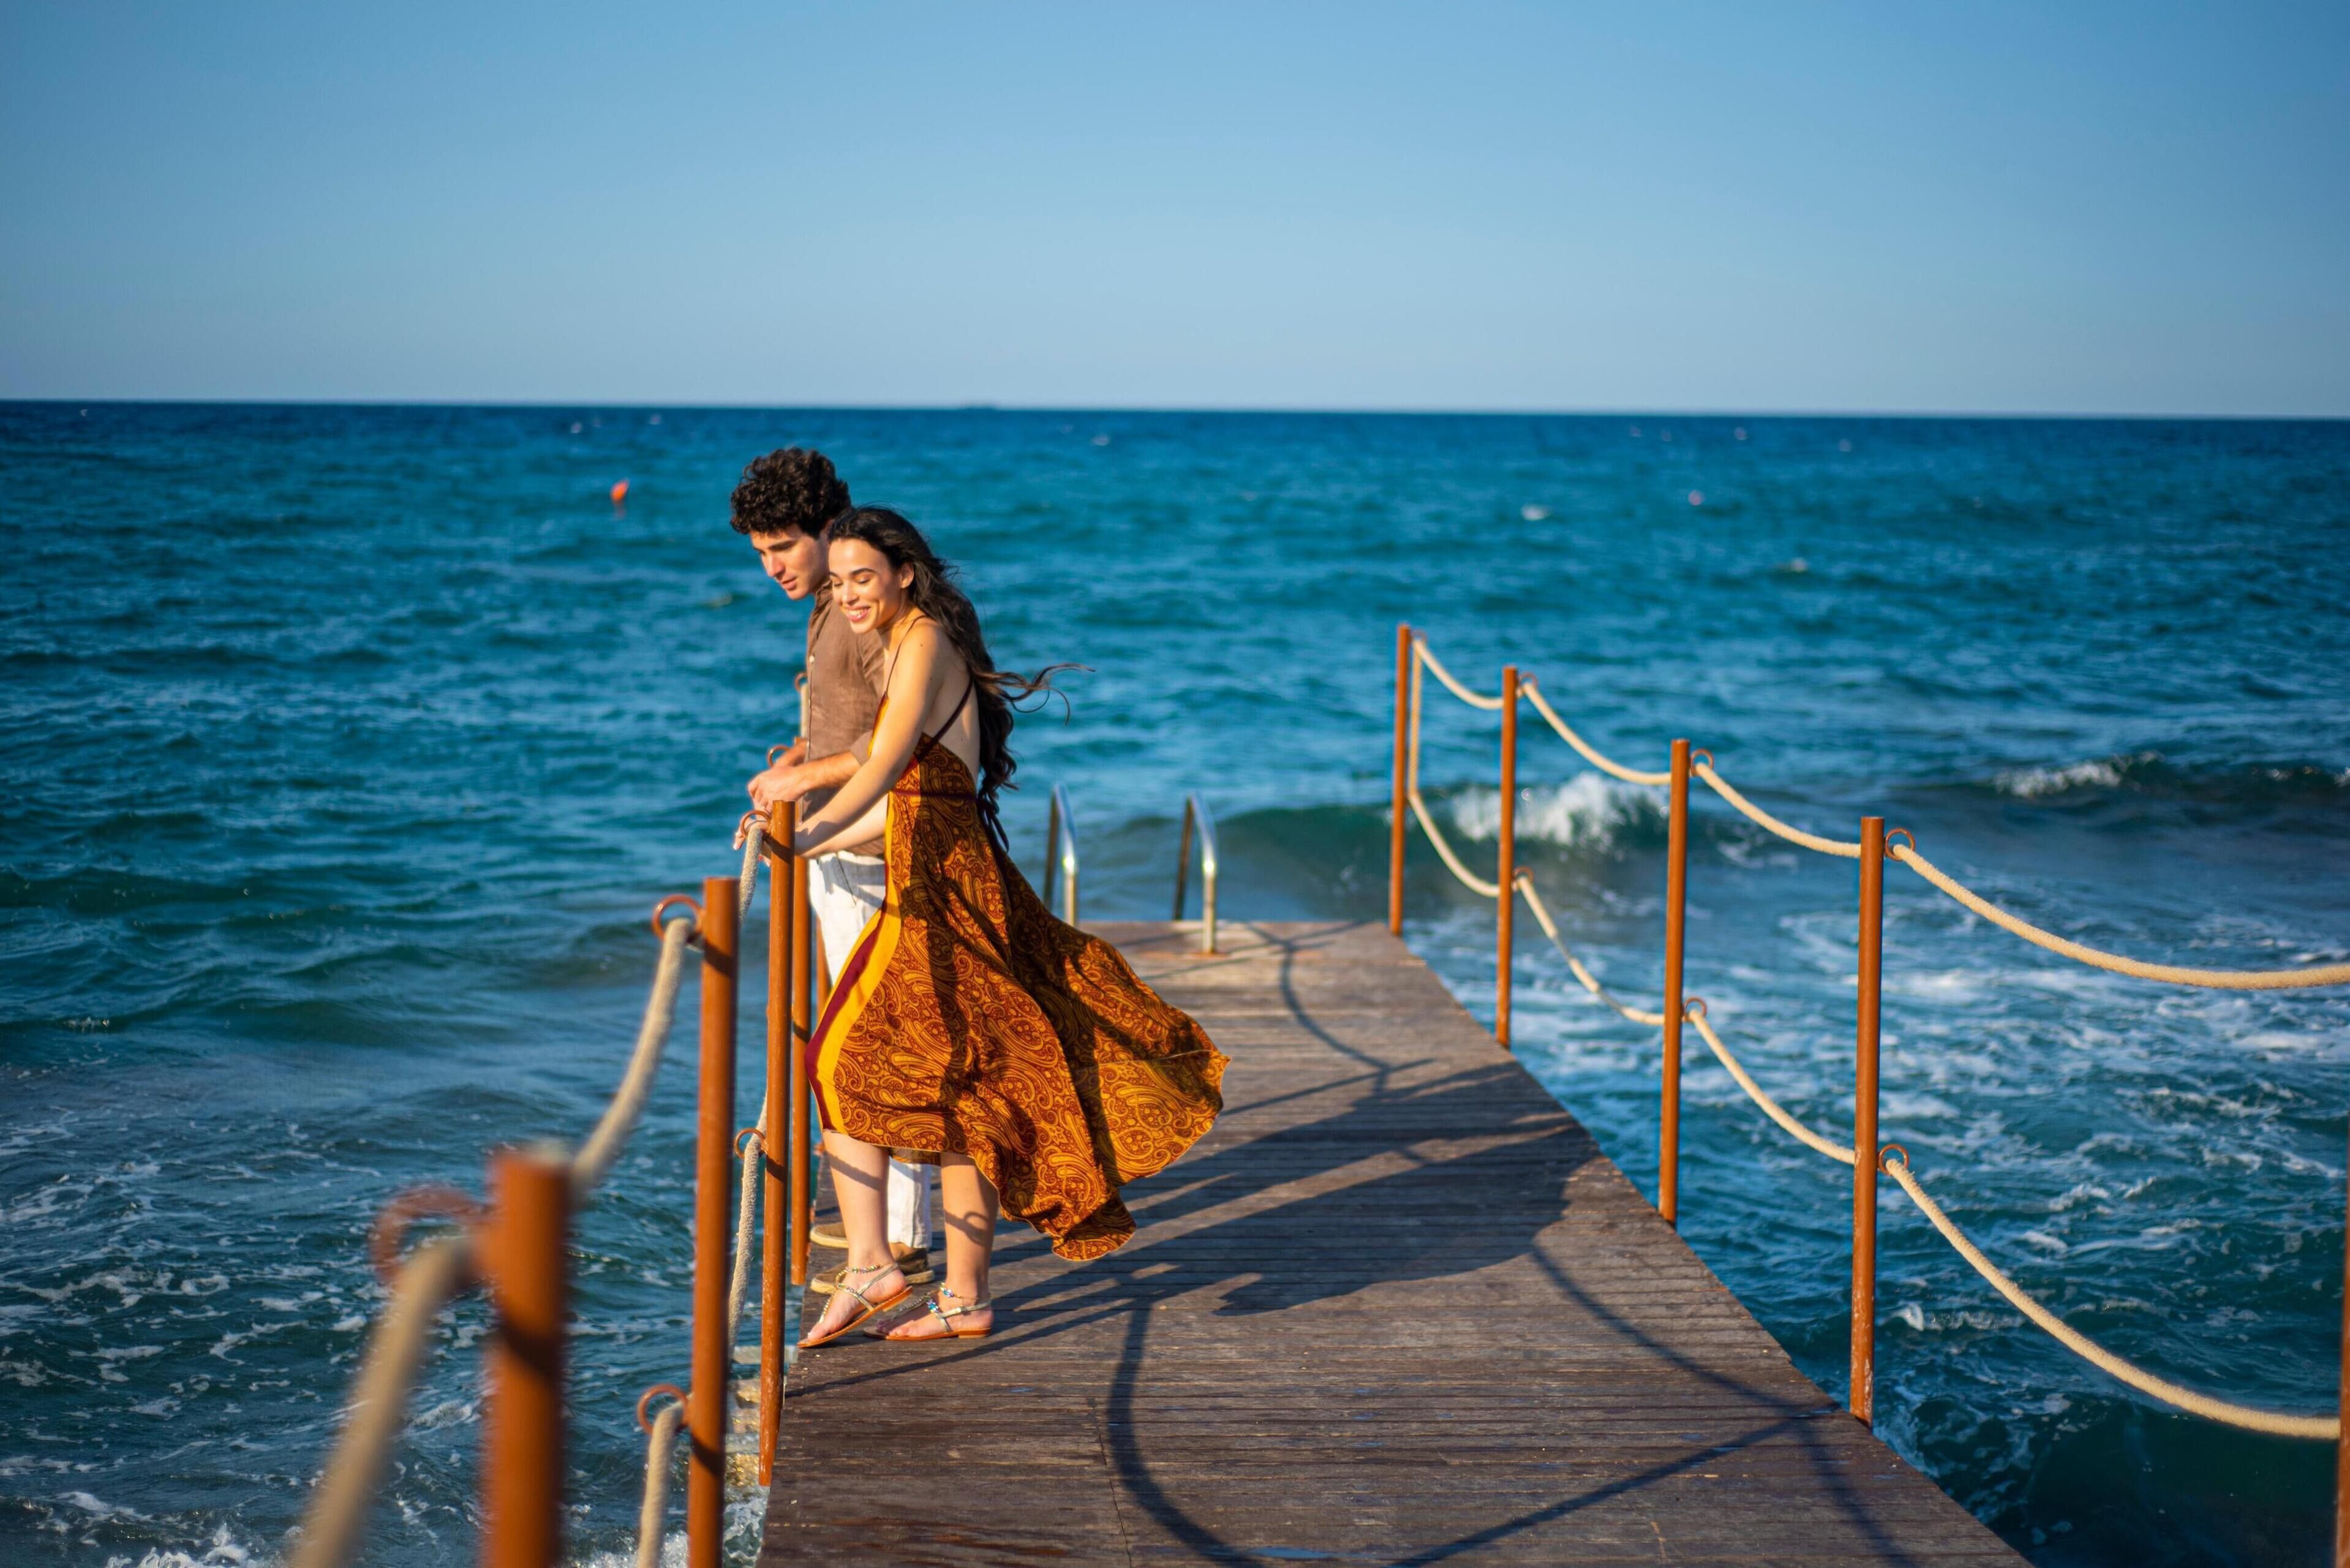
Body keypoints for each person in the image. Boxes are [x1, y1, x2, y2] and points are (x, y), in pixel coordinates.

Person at [789, 508, 1227, 1347]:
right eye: (836, 580)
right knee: (962, 1091)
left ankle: (877, 1265)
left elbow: (886, 772)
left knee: (838, 1058)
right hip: (938, 878)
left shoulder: (918, 642)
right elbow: (919, 804)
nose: (846, 594)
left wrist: (806, 829)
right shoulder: (906, 642)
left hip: (947, 894)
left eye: (861, 578)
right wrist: (805, 840)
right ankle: (960, 1296)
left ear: (904, 574)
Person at [733, 449, 935, 1290]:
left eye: (783, 546)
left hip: (876, 845)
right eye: (758, 554)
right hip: (837, 844)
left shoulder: (866, 611)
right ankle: (884, 1220)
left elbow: (898, 732)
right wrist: (800, 755)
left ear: (827, 530)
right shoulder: (825, 607)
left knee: (879, 1036)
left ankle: (906, 1235)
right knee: (855, 1035)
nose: (772, 566)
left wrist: (803, 778)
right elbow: (842, 721)